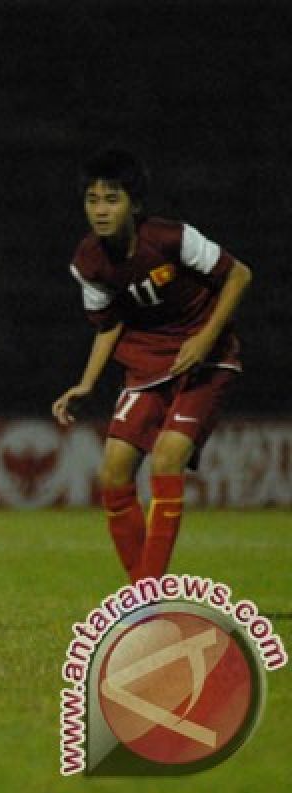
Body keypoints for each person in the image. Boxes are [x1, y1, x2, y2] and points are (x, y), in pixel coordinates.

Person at [52, 148, 251, 583]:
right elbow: (108, 327)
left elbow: (239, 275)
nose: (100, 210)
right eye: (92, 200)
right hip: (145, 364)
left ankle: (146, 602)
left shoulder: (171, 238)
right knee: (113, 472)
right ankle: (147, 592)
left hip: (206, 358)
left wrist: (205, 337)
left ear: (134, 204)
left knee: (167, 459)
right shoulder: (88, 261)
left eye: (111, 199)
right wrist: (86, 384)